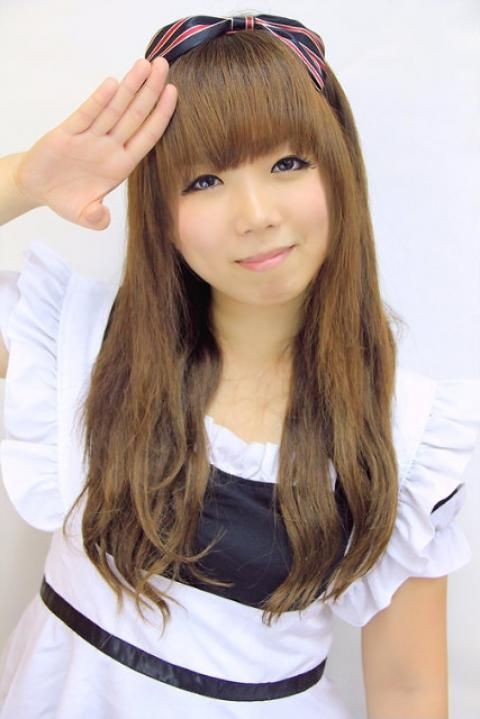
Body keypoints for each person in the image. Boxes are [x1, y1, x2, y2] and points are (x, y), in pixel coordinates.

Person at [0, 12, 478, 719]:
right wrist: (24, 179)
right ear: (160, 211)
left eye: (288, 164)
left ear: (340, 170)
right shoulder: (77, 348)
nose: (255, 214)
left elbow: (408, 691)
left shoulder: (406, 433)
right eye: (204, 180)